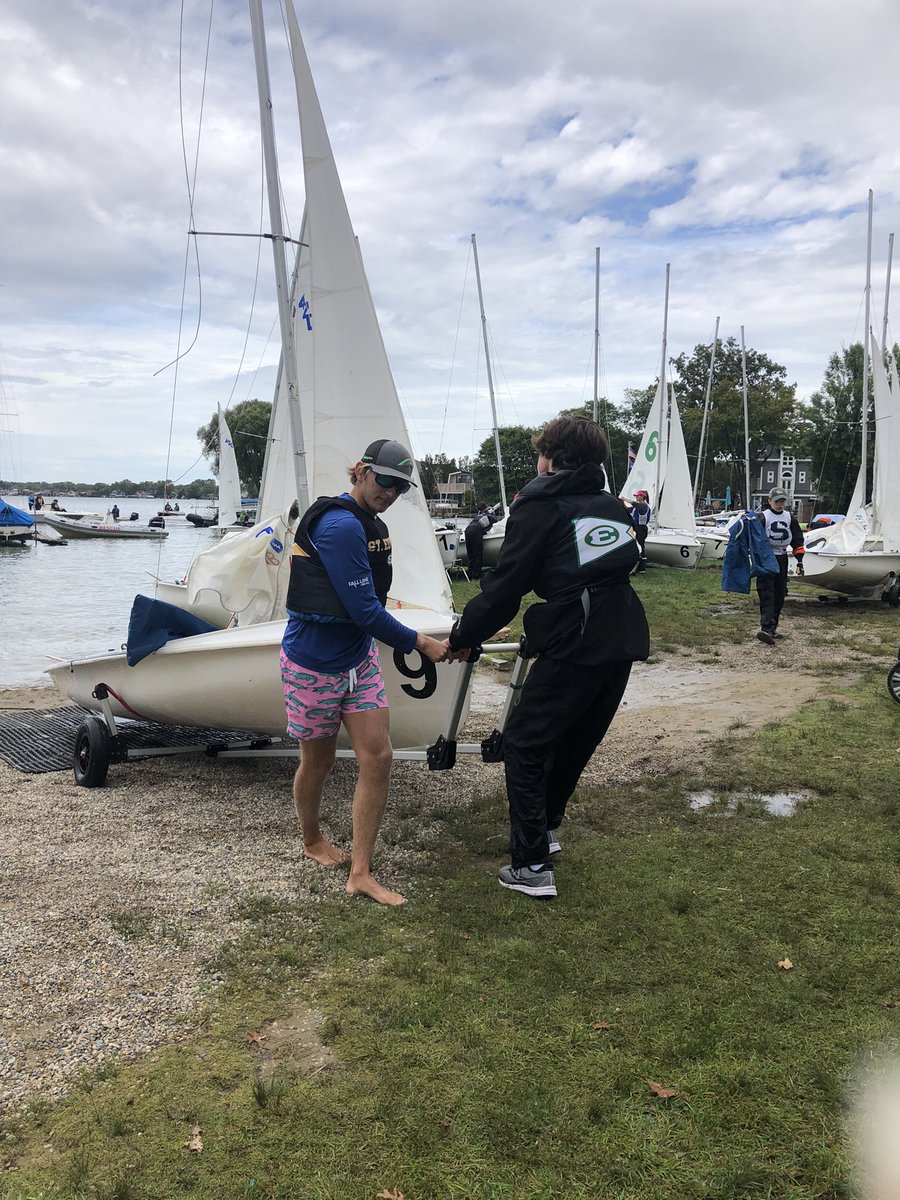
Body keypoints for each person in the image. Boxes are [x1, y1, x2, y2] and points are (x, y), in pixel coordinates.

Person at [444, 415, 649, 899]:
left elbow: (504, 592)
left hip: (577, 639)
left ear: (552, 459)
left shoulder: (539, 507)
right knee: (575, 737)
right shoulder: (610, 506)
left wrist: (461, 634)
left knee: (525, 743)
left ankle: (531, 865)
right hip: (621, 635)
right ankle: (546, 831)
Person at [281, 438, 448, 907]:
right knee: (319, 761)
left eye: (400, 487)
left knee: (378, 757)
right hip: (312, 664)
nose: (391, 493)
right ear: (360, 471)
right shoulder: (338, 526)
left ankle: (360, 872)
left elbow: (368, 611)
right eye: (385, 481)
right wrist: (423, 643)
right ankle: (312, 840)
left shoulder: (370, 525)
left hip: (359, 661)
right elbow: (365, 611)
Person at [756, 486, 805, 645]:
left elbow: (797, 539)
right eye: (776, 501)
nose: (780, 504)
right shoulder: (763, 517)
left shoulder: (790, 518)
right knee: (766, 592)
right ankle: (766, 627)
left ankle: (772, 627)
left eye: (782, 501)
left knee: (780, 592)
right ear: (769, 501)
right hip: (767, 558)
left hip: (782, 557)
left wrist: (800, 560)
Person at [464, 503, 495, 580]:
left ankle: (470, 573)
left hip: (468, 530)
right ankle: (476, 575)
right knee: (477, 552)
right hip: (476, 530)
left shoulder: (478, 516)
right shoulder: (489, 516)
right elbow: (492, 525)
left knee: (470, 553)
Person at [628, 489, 652, 571]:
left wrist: (624, 499)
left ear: (643, 497)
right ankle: (637, 566)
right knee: (636, 546)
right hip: (635, 527)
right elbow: (627, 509)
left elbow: (635, 504)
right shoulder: (635, 508)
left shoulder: (643, 506)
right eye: (636, 495)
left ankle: (642, 568)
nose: (636, 497)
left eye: (638, 495)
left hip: (641, 528)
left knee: (641, 547)